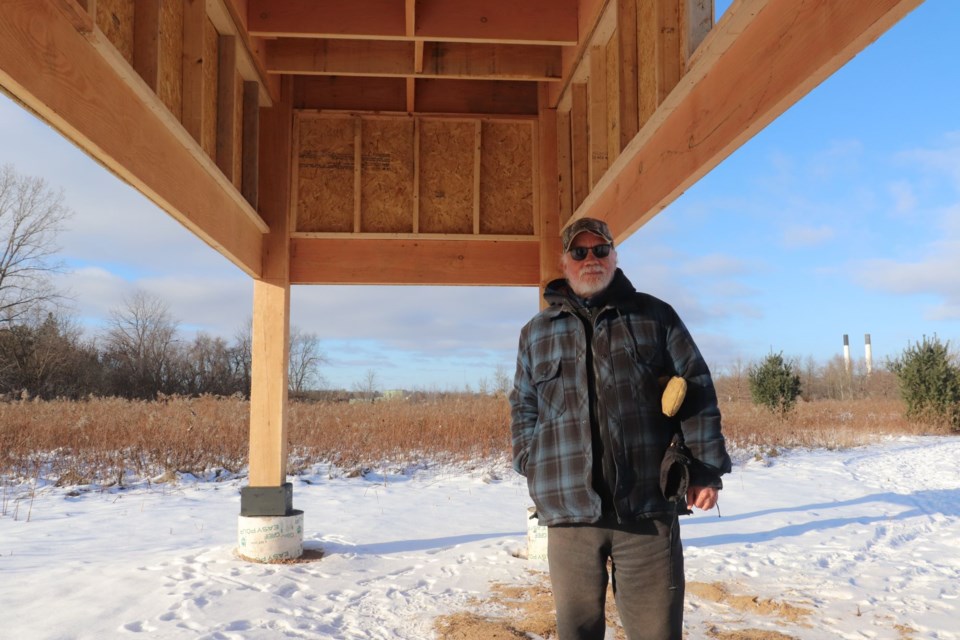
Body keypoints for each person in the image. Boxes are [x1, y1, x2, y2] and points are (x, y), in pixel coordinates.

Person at [509, 217, 732, 640]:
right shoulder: (536, 334)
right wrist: (531, 462)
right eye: (579, 252)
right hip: (570, 514)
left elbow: (697, 388)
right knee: (577, 632)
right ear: (565, 261)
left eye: (600, 249)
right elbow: (523, 406)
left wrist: (704, 470)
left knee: (657, 632)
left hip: (648, 508)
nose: (590, 259)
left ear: (614, 255)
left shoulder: (655, 316)